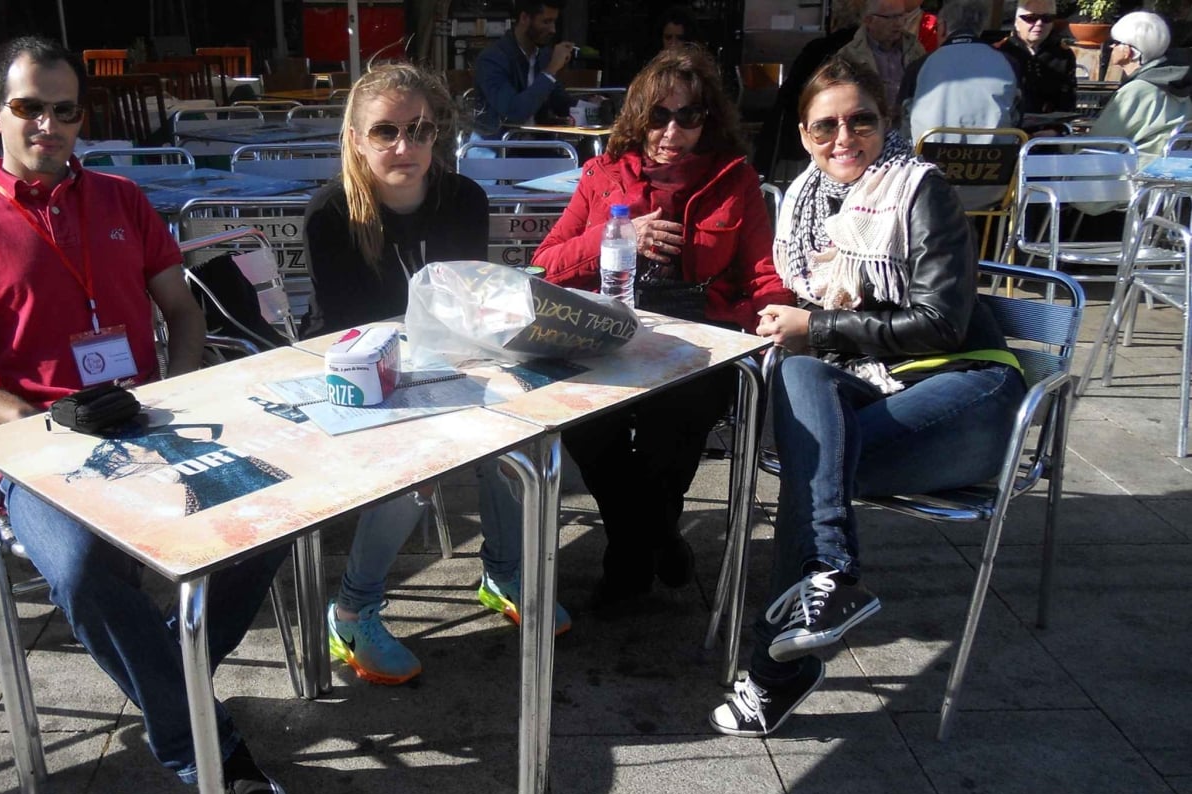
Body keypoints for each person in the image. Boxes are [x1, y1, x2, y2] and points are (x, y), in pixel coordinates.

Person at [0, 36, 290, 794]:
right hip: (35, 443)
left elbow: (183, 313)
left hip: (149, 423)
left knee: (278, 518)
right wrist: (19, 417)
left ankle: (166, 685)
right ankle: (200, 745)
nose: (48, 123)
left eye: (64, 109)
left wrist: (179, 391)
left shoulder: (120, 200)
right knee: (81, 567)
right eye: (29, 107)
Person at [708, 55, 1025, 737]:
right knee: (798, 378)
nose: (843, 138)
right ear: (802, 136)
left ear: (889, 123)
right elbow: (811, 333)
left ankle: (778, 664)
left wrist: (815, 324)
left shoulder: (922, 190)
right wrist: (794, 331)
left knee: (811, 460)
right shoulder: (805, 205)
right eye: (825, 127)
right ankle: (829, 573)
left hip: (969, 390)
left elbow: (941, 320)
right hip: (885, 390)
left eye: (862, 121)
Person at [301, 62, 570, 684]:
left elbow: (464, 301)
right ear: (357, 139)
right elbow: (346, 330)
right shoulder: (330, 212)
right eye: (386, 131)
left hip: (446, 361)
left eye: (419, 130)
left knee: (517, 435)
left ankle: (503, 572)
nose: (405, 147)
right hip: (358, 372)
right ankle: (352, 609)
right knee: (420, 463)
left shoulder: (462, 198)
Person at [531, 46, 791, 610]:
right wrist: (613, 238)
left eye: (689, 117)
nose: (672, 131)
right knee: (581, 421)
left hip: (700, 328)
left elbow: (761, 270)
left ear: (708, 120)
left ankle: (626, 559)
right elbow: (544, 264)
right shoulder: (602, 175)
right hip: (614, 323)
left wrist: (772, 317)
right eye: (658, 116)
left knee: (673, 422)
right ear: (637, 116)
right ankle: (657, 535)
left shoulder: (734, 179)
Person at [754, 0, 865, 182]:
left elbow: (788, 95)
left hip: (797, 131)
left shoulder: (817, 48)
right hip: (817, 134)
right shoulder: (844, 50)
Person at [900, 0, 1019, 144]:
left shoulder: (920, 65)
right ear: (980, 28)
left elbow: (902, 115)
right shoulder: (1008, 62)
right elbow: (1017, 114)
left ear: (942, 28)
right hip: (994, 158)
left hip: (930, 157)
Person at [1090, 11, 1192, 168]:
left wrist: (1063, 141)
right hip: (1169, 177)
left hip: (1127, 177)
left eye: (1115, 42)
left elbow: (1099, 142)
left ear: (1128, 51)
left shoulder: (1138, 90)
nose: (1111, 46)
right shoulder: (1178, 82)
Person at [472, 0, 574, 139]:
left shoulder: (543, 55)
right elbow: (513, 112)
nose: (553, 30)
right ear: (524, 18)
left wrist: (590, 105)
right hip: (499, 148)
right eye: (546, 22)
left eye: (554, 22)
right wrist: (550, 71)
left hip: (537, 146)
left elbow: (560, 102)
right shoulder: (492, 59)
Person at [837, 0, 928, 112]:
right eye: (891, 18)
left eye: (901, 16)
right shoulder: (849, 55)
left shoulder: (915, 48)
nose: (899, 23)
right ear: (869, 20)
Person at [995, 1, 1077, 116]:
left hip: (1047, 128)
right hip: (1007, 127)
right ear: (1017, 22)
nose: (1039, 23)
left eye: (1047, 18)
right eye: (1031, 18)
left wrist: (1057, 129)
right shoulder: (999, 52)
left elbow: (1068, 101)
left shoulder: (1063, 55)